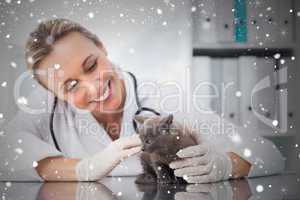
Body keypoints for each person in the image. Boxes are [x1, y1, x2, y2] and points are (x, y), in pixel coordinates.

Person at [0, 18, 285, 182]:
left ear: (102, 47)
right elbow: (5, 153)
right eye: (71, 85)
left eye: (91, 65)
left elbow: (269, 154)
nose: (93, 86)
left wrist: (224, 165)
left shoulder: (162, 97)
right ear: (54, 93)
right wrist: (83, 168)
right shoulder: (46, 106)